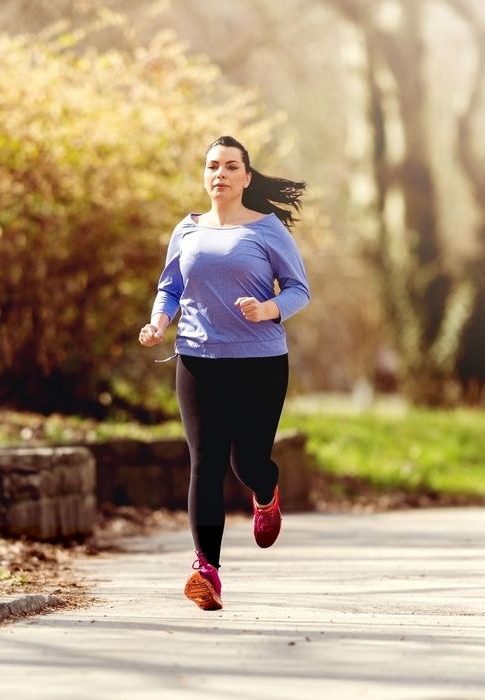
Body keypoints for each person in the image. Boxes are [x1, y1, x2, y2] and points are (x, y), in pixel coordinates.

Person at [139, 135, 310, 611]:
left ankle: (266, 489)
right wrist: (158, 322)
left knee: (246, 463)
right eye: (213, 166)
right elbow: (169, 288)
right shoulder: (187, 230)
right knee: (206, 464)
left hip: (260, 362)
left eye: (231, 166)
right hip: (197, 359)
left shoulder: (267, 229)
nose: (221, 174)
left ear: (246, 177)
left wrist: (269, 308)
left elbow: (299, 290)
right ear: (204, 174)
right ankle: (206, 570)